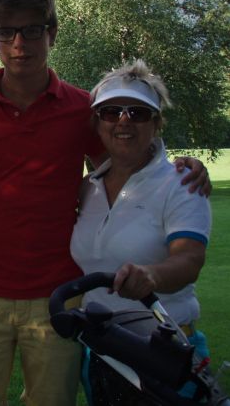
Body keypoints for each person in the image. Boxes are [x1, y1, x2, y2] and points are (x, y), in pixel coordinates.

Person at [0, 0, 211, 406]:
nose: (19, 43)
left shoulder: (82, 110)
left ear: (52, 33)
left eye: (32, 30)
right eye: (6, 31)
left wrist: (177, 167)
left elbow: (127, 161)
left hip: (60, 298)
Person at [70, 60, 211, 401]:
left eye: (138, 113)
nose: (123, 121)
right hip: (102, 350)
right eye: (111, 112)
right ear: (97, 122)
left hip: (164, 352)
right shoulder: (88, 188)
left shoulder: (181, 184)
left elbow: (189, 260)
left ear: (157, 123)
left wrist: (151, 275)